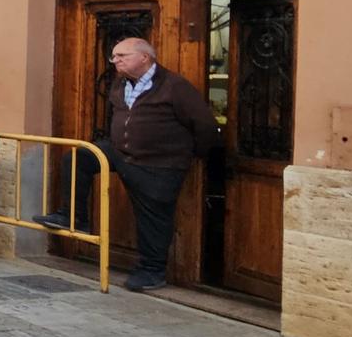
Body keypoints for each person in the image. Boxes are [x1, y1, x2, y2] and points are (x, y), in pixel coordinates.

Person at [34, 38, 216, 292]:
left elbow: (205, 124)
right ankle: (73, 216)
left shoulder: (174, 86)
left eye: (122, 55)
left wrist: (191, 154)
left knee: (152, 217)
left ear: (145, 57)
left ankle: (152, 272)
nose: (115, 60)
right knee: (80, 157)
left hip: (160, 164)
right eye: (114, 56)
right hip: (122, 153)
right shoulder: (120, 84)